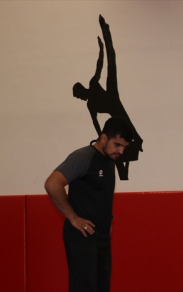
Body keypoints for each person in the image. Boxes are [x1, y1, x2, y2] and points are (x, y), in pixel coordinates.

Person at [44, 117, 133, 292]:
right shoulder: (83, 157)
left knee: (101, 290)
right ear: (103, 137)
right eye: (117, 144)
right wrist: (73, 218)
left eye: (124, 147)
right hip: (81, 237)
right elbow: (52, 183)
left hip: (101, 237)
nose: (120, 151)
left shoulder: (109, 161)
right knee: (83, 291)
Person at [72, 15, 142, 181]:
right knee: (116, 151)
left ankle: (106, 32)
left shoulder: (92, 83)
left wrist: (101, 48)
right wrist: (100, 142)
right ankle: (123, 175)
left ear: (82, 90)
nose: (81, 99)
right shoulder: (90, 105)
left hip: (111, 95)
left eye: (80, 96)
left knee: (112, 62)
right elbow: (98, 126)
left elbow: (100, 65)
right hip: (114, 109)